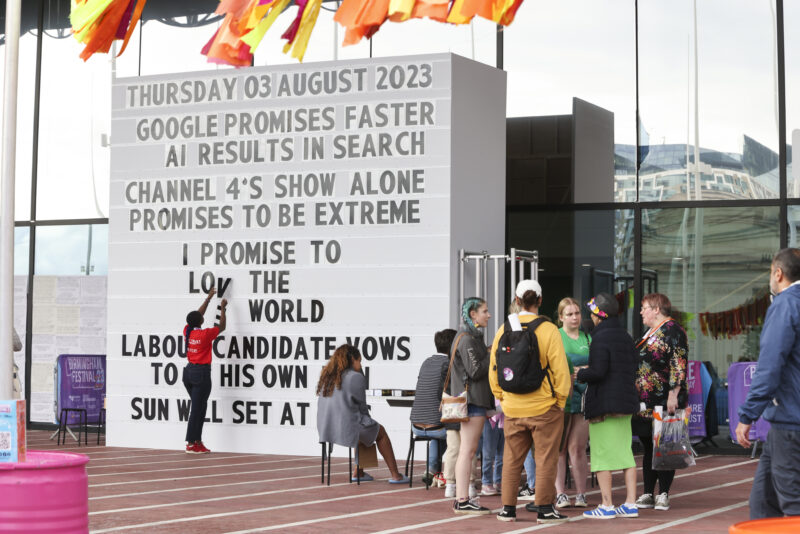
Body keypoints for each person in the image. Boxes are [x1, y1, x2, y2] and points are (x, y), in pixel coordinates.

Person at [490, 280, 571, 523]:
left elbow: (494, 370)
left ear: (516, 301)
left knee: (512, 459)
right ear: (540, 301)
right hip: (544, 406)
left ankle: (507, 509)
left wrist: (502, 397)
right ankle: (545, 509)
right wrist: (560, 401)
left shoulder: (503, 329)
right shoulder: (549, 330)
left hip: (513, 407)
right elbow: (560, 371)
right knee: (546, 458)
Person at [736, 248, 800, 518]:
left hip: (790, 422)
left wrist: (747, 415)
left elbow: (770, 365)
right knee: (763, 503)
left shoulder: (785, 304)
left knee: (792, 504)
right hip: (786, 421)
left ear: (778, 273)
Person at [576, 293, 640, 519]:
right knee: (625, 454)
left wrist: (581, 373)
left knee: (602, 455)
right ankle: (631, 503)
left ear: (599, 315)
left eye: (592, 313)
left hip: (604, 405)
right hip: (625, 403)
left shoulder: (600, 338)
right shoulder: (625, 336)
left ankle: (606, 505)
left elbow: (599, 371)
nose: (590, 317)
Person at [316, 344, 409, 483]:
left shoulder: (328, 376)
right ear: (352, 359)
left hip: (326, 428)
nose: (361, 364)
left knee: (368, 427)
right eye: (360, 361)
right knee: (378, 431)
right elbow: (362, 407)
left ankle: (358, 472)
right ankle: (396, 475)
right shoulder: (355, 377)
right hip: (346, 428)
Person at [632, 292, 688, 511]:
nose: (641, 312)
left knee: (665, 445)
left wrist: (674, 393)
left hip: (666, 398)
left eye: (644, 307)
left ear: (656, 309)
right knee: (649, 445)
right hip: (646, 400)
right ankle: (647, 492)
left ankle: (663, 493)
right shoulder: (650, 332)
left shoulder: (673, 330)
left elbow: (678, 362)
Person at [450, 297, 494, 514]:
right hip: (472, 400)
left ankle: (463, 498)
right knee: (468, 451)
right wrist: (489, 353)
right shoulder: (467, 339)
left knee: (467, 451)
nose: (489, 315)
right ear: (473, 314)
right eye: (484, 311)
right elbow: (475, 371)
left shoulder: (469, 337)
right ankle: (462, 499)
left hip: (474, 400)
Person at [555, 297, 591, 509]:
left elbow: (597, 365)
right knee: (559, 448)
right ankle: (560, 493)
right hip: (562, 398)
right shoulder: (556, 336)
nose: (574, 317)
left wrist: (584, 370)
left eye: (577, 313)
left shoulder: (587, 338)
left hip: (584, 397)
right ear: (561, 317)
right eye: (569, 314)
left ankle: (581, 494)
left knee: (577, 448)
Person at [182, 287, 226, 454]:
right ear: (201, 321)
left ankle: (197, 442)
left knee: (200, 407)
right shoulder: (205, 334)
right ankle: (191, 443)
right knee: (197, 409)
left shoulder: (189, 331)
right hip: (201, 374)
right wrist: (223, 308)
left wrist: (208, 298)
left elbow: (197, 316)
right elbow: (222, 327)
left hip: (189, 373)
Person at [409, 329, 456, 485]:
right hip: (437, 427)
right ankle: (454, 475)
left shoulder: (426, 362)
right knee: (456, 430)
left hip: (416, 426)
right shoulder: (450, 364)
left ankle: (431, 471)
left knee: (439, 431)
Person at [480, 400, 504, 496]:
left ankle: (497, 481)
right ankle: (486, 483)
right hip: (490, 416)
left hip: (503, 416)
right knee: (488, 453)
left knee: (502, 454)